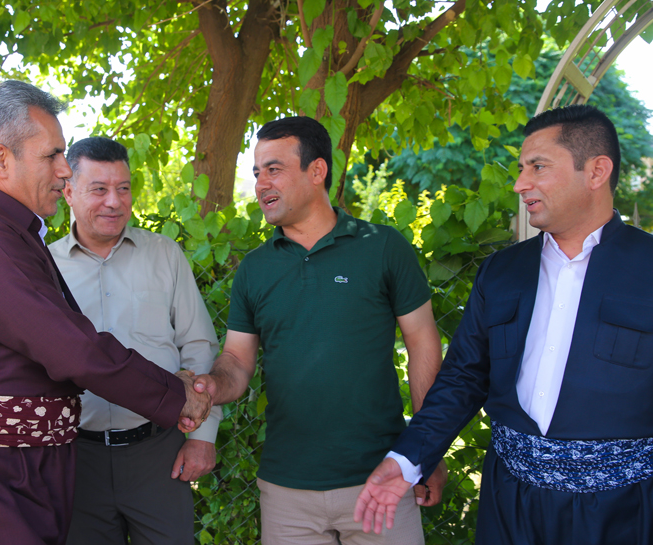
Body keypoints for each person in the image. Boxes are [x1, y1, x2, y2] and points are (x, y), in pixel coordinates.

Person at [0, 80, 211, 545]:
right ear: (1, 159)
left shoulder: (8, 234)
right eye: (52, 155)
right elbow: (73, 349)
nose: (65, 171)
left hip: (14, 469)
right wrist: (174, 395)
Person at [354, 104, 653, 544]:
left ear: (596, 171)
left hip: (620, 512)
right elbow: (463, 377)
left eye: (538, 167)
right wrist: (406, 460)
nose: (520, 184)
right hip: (509, 505)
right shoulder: (501, 272)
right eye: (520, 169)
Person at [186, 116, 446, 545]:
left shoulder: (382, 247)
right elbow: (236, 360)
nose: (261, 184)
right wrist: (211, 386)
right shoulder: (254, 269)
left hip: (382, 477)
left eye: (274, 169)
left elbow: (422, 343)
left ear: (317, 170)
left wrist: (425, 449)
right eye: (257, 172)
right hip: (287, 490)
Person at [48, 136, 221, 544]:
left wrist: (202, 438)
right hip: (76, 458)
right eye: (99, 189)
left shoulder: (164, 255)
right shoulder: (44, 267)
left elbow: (198, 346)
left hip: (158, 454)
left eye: (123, 188)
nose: (114, 202)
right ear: (69, 192)